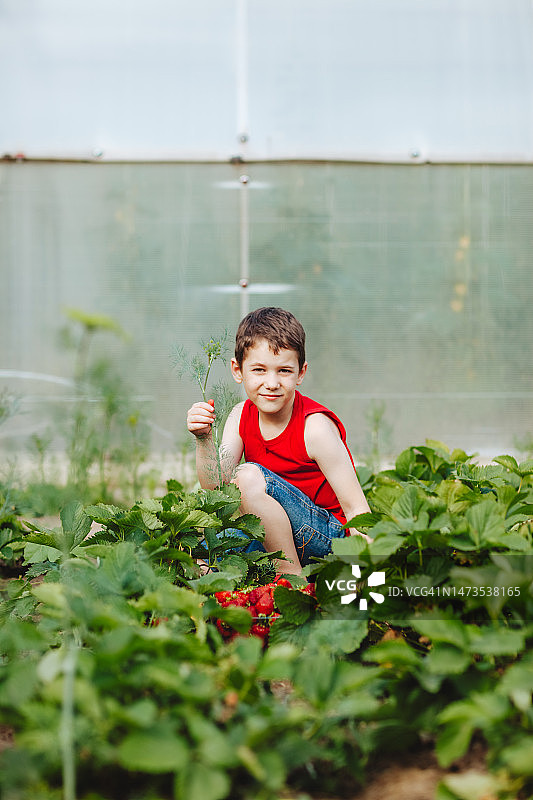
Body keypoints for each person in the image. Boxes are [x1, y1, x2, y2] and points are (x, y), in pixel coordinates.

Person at [186, 307, 371, 576]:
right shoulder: (239, 416)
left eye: (284, 370)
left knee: (247, 476)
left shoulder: (315, 428)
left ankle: (291, 580)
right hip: (277, 534)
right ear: (238, 370)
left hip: (327, 538)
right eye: (259, 370)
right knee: (204, 551)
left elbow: (356, 508)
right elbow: (217, 487)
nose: (271, 383)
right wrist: (203, 439)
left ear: (301, 372)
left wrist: (368, 570)